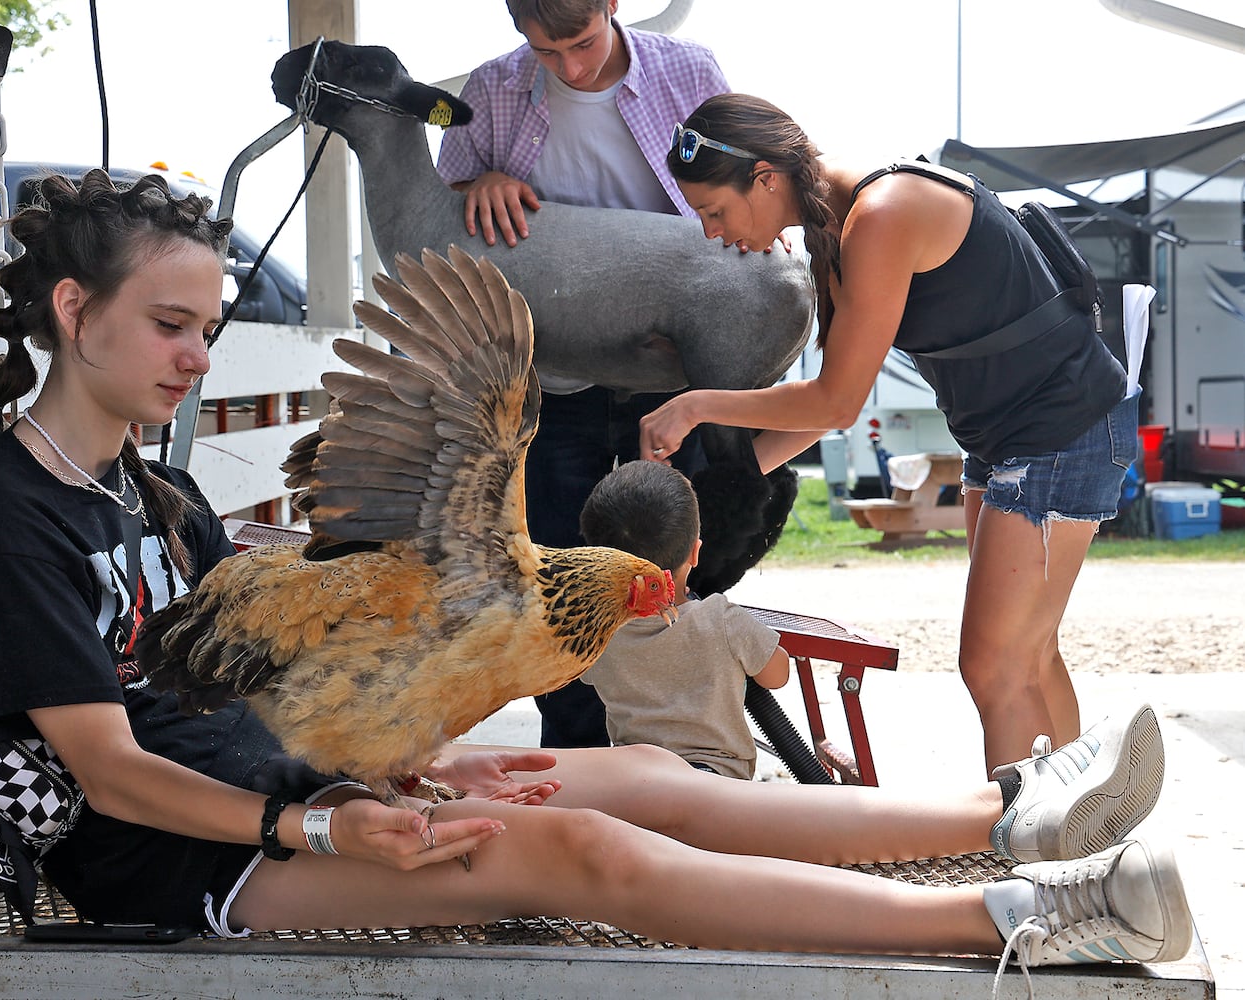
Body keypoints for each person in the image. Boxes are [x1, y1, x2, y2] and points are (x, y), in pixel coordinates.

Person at [0, 170, 1191, 981]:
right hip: (172, 863)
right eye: (169, 327)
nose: (188, 356)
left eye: (205, 331)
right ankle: (1014, 918)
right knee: (574, 847)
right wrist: (323, 822)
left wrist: (378, 768)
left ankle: (1008, 816)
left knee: (639, 772)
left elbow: (250, 690)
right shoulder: (5, 519)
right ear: (73, 312)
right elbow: (114, 771)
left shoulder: (150, 493)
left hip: (263, 788)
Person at [639, 95, 1139, 776]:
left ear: (764, 178)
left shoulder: (881, 214)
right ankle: (1076, 831)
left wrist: (695, 406)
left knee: (995, 666)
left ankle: (1031, 860)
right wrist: (712, 491)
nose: (710, 232)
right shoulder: (840, 223)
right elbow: (825, 409)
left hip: (1061, 428)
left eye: (713, 211)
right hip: (1005, 438)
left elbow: (837, 402)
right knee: (1028, 654)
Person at [436, 0, 731, 748]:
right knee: (559, 578)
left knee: (675, 564)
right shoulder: (490, 90)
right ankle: (574, 763)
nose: (568, 67)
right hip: (554, 379)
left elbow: (739, 200)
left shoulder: (690, 73)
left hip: (670, 375)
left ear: (613, 5)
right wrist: (478, 186)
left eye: (581, 43)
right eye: (544, 50)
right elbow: (438, 212)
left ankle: (678, 753)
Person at [578, 461, 790, 779]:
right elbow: (777, 675)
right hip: (716, 782)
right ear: (695, 553)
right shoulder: (722, 620)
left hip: (635, 781)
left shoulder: (599, 635)